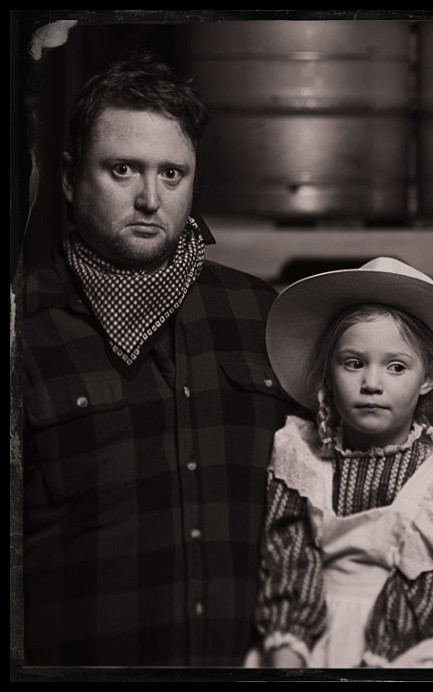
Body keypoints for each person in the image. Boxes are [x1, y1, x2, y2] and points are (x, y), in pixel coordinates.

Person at [21, 55, 292, 666]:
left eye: (172, 174)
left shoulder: (260, 314)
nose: (150, 198)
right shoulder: (24, 328)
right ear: (69, 179)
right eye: (123, 169)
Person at [252, 256, 433, 668]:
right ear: (329, 372)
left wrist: (384, 659)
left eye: (396, 367)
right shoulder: (301, 459)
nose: (372, 384)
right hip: (312, 647)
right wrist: (289, 649)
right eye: (354, 364)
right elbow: (289, 559)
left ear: (427, 378)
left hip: (407, 656)